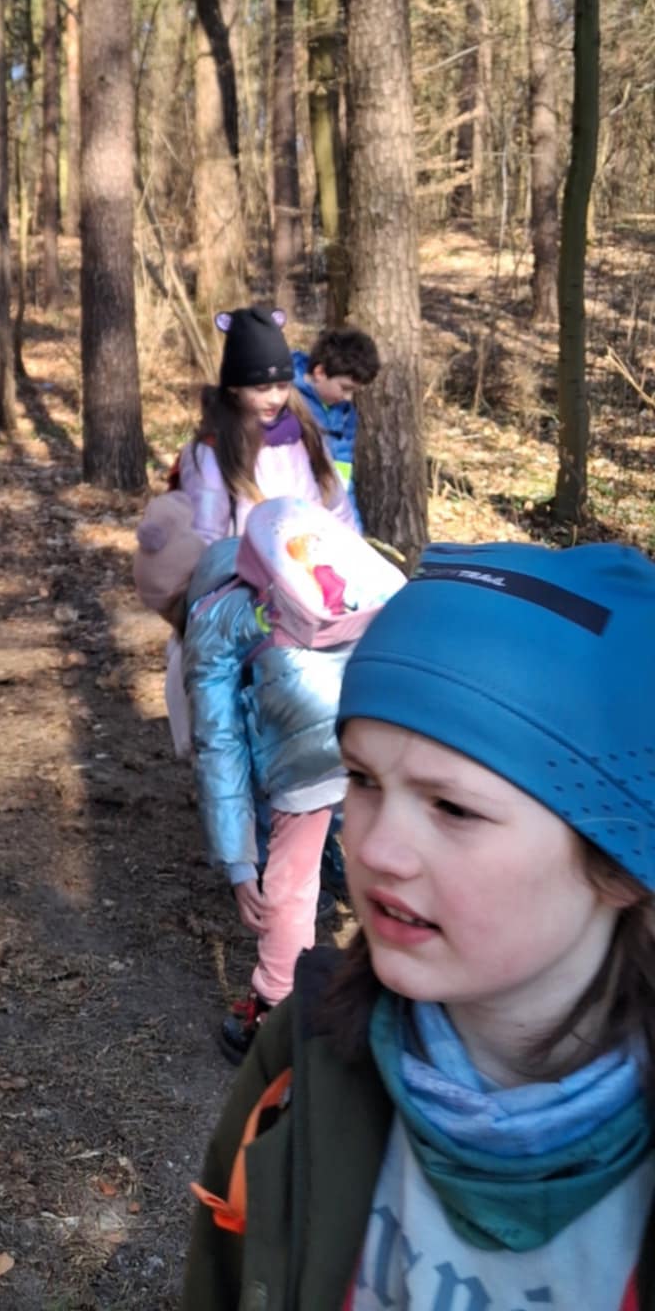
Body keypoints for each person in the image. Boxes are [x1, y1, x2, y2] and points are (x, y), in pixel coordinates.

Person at [185, 539, 655, 1311]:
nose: (373, 848)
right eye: (363, 779)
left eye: (453, 808)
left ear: (622, 865)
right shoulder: (304, 1054)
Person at [180, 497, 404, 1060]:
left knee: (292, 876)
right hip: (385, 700)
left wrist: (239, 862)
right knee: (393, 847)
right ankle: (409, 981)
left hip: (309, 735)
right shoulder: (316, 570)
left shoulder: (213, 620)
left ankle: (275, 1009)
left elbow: (219, 743)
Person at [177, 305, 356, 545]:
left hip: (313, 564)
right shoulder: (213, 450)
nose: (275, 399)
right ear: (234, 387)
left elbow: (339, 511)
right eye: (261, 388)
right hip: (244, 566)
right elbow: (205, 539)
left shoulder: (306, 434)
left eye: (282, 386)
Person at [293, 325, 381, 527]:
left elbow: (342, 478)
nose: (348, 398)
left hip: (325, 517)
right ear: (320, 372)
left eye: (353, 392)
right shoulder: (286, 399)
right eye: (344, 388)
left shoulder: (345, 416)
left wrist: (353, 529)